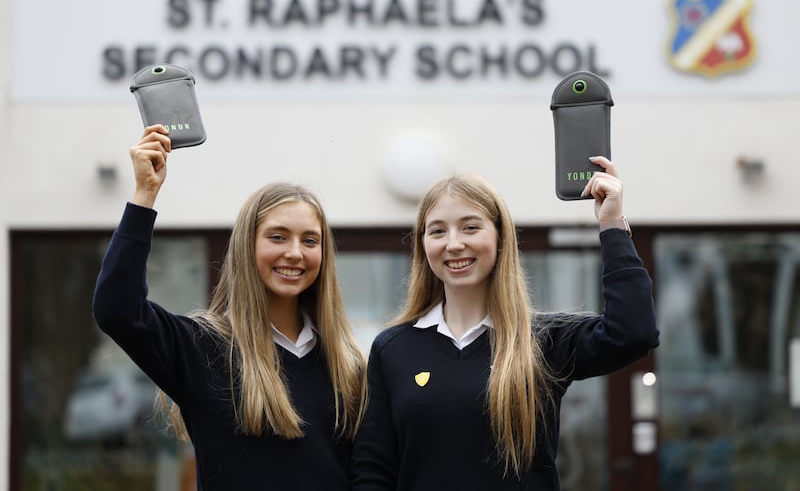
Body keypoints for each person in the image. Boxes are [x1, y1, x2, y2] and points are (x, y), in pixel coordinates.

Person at [351, 156, 659, 490]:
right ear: (423, 244)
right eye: (438, 231)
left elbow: (633, 333)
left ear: (500, 238)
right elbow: (374, 468)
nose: (454, 244)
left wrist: (612, 224)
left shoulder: (542, 341)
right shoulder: (393, 349)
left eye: (470, 227)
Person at [92, 125, 366, 490]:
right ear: (246, 247)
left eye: (310, 240)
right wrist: (145, 194)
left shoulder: (348, 366)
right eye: (278, 236)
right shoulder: (201, 348)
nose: (295, 252)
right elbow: (117, 308)